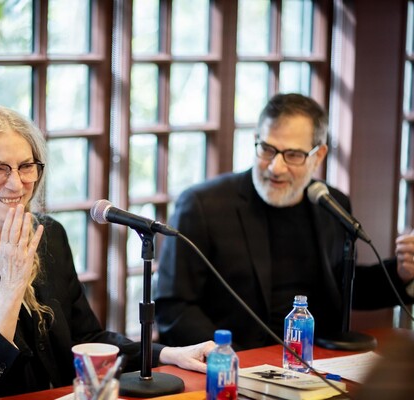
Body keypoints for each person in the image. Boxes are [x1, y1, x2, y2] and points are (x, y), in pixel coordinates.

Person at [0, 101, 214, 399]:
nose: (16, 184)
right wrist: (11, 289)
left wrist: (167, 354)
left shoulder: (48, 234)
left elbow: (87, 340)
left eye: (26, 166)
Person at [154, 93, 414, 351]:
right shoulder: (203, 205)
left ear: (319, 156)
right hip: (235, 362)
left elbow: (347, 289)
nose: (275, 167)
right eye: (267, 149)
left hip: (315, 363)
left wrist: (402, 275)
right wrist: (225, 357)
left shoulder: (332, 204)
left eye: (292, 155)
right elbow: (174, 307)